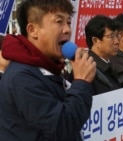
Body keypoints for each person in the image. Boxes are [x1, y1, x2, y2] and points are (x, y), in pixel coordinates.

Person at [0, 0, 96, 141]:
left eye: (68, 22)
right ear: (33, 30)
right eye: (59, 21)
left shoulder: (48, 68)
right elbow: (62, 128)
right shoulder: (21, 77)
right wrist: (81, 82)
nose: (67, 30)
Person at [85, 15, 121, 95]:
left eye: (117, 36)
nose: (117, 41)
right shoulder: (86, 70)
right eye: (111, 36)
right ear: (95, 40)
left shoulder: (108, 65)